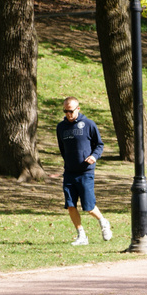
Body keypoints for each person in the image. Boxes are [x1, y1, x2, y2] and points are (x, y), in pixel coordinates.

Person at [57, 96, 112, 246]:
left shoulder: (88, 124)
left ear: (78, 109)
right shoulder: (61, 127)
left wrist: (94, 157)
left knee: (88, 206)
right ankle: (82, 235)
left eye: (71, 111)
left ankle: (103, 221)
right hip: (69, 172)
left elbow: (99, 144)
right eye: (65, 111)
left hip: (85, 172)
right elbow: (62, 148)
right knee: (70, 204)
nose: (68, 114)